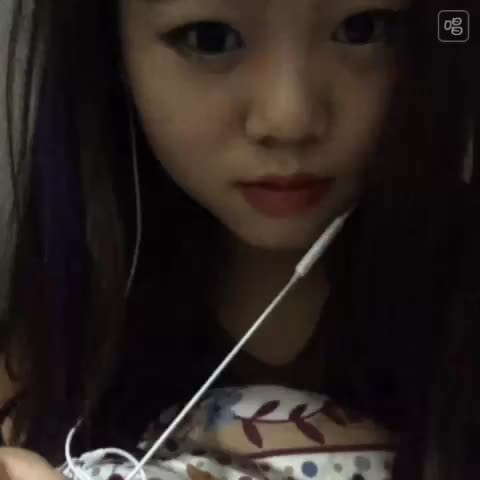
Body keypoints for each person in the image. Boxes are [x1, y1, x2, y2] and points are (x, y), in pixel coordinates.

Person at [0, 0, 479, 478]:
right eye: (210, 39)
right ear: (112, 54)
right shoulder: (65, 325)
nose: (289, 120)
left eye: (363, 29)